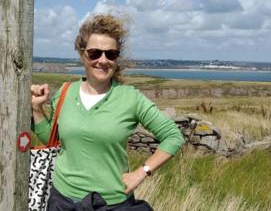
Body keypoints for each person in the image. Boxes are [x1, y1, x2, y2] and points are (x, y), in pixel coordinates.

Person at [31, 14, 185, 210]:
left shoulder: (130, 98)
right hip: (62, 201)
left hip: (111, 203)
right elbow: (52, 139)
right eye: (95, 53)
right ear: (82, 54)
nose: (103, 60)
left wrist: (141, 172)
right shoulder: (65, 92)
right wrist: (37, 109)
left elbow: (173, 136)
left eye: (110, 54)